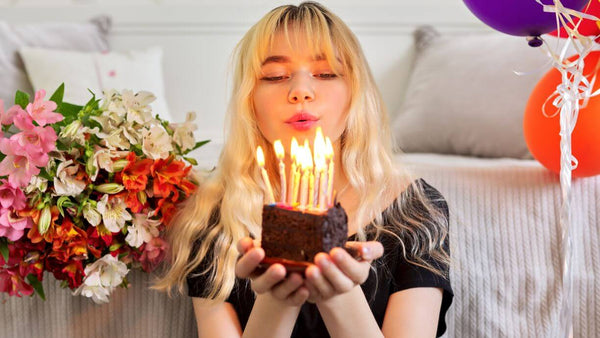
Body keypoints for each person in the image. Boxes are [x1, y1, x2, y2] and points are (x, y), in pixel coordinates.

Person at [155, 2, 453, 337]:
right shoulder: (217, 218)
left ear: (356, 90)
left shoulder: (413, 210)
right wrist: (277, 298)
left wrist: (339, 293)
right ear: (249, 99)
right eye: (275, 76)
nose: (300, 91)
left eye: (326, 73)